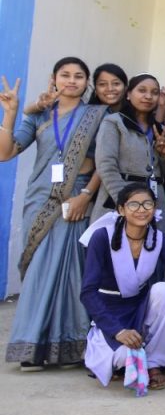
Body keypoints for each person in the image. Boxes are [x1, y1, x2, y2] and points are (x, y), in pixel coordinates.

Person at [1, 59, 107, 369]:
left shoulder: (98, 115)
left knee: (71, 271)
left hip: (76, 200)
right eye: (65, 75)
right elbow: (6, 152)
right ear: (54, 78)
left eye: (79, 76)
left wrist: (86, 196)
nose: (72, 81)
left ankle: (70, 345)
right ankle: (32, 345)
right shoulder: (38, 115)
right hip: (40, 201)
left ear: (87, 82)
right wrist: (11, 113)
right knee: (38, 272)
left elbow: (105, 161)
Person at [79, 185, 165, 391]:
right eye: (133, 204)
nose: (141, 210)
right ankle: (127, 356)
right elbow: (88, 292)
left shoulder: (158, 238)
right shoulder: (102, 237)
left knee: (164, 290)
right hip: (111, 314)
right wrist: (117, 331)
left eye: (147, 204)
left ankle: (154, 364)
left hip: (139, 310)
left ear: (154, 208)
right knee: (123, 357)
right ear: (121, 210)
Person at [92, 74, 165, 233]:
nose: (148, 96)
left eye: (154, 92)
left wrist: (164, 155)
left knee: (155, 246)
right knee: (116, 245)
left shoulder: (162, 130)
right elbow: (106, 166)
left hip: (156, 204)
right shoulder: (114, 122)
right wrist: (127, 202)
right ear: (128, 94)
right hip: (119, 201)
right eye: (142, 90)